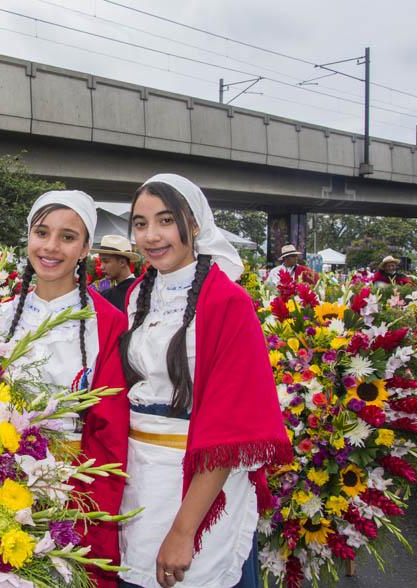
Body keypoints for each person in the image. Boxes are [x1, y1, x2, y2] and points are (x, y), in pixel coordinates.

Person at [118, 174, 292, 588]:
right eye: (140, 224)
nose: (151, 236)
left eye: (165, 221)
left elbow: (232, 428)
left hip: (197, 487)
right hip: (138, 483)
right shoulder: (137, 295)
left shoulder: (228, 302)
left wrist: (183, 530)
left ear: (194, 225)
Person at [0, 190, 129, 588]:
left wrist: (78, 509)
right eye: (42, 233)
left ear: (86, 248)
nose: (50, 247)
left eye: (68, 237)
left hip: (71, 494)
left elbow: (110, 433)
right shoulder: (0, 316)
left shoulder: (109, 323)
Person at [91, 234, 141, 312]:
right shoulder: (105, 295)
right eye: (101, 261)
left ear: (122, 263)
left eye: (106, 261)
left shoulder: (140, 290)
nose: (101, 267)